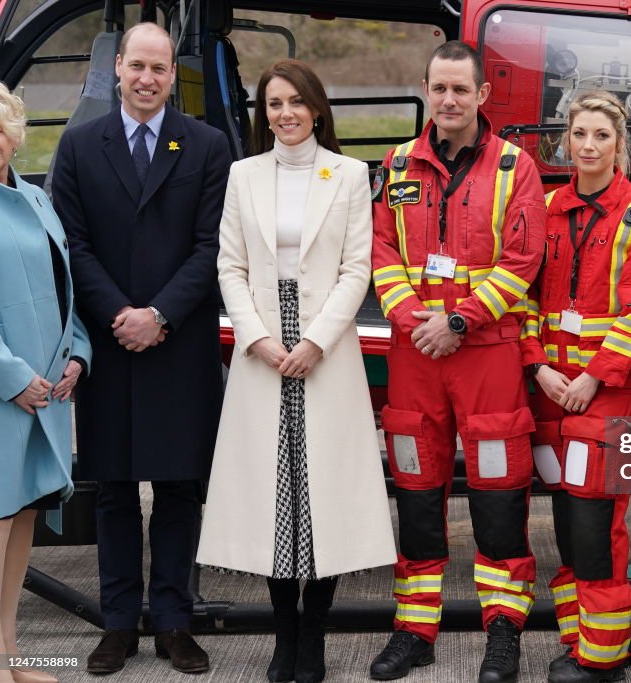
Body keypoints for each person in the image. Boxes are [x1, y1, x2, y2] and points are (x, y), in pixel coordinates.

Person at [196, 58, 397, 683]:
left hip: (324, 351)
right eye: (274, 103)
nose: (286, 113)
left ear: (317, 109)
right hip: (262, 350)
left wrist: (314, 341)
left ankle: (314, 636)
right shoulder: (244, 175)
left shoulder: (349, 174)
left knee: (323, 499)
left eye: (296, 102)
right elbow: (229, 265)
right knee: (273, 499)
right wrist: (256, 338)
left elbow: (357, 270)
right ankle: (285, 638)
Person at [51, 22, 231, 675]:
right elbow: (72, 244)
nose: (148, 79)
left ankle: (175, 623)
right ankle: (119, 624)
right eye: (137, 67)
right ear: (118, 68)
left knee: (180, 487)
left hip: (178, 342)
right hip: (111, 343)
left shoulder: (206, 145)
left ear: (171, 74)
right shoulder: (79, 146)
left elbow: (212, 247)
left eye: (159, 68)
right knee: (115, 490)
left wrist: (159, 314)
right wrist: (120, 315)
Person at [369, 40, 547, 683]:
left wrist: (459, 321)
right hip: (416, 351)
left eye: (460, 89)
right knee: (417, 491)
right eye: (439, 88)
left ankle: (503, 631)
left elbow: (523, 260)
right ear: (426, 89)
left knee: (499, 492)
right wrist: (416, 323)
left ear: (481, 95)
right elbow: (381, 251)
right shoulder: (396, 164)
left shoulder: (515, 167)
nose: (448, 100)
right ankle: (415, 630)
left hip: (485, 352)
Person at [522, 90, 631, 683]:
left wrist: (591, 377)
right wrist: (538, 366)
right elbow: (526, 296)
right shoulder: (547, 207)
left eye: (601, 136)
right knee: (563, 516)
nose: (588, 145)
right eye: (579, 134)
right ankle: (576, 640)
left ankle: (603, 659)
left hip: (605, 392)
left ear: (619, 144)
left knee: (596, 523)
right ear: (566, 140)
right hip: (550, 389)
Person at [0, 79, 90, 683]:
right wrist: (11, 377)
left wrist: (79, 354)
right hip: (3, 396)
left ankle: (6, 656)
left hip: (47, 393)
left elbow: (63, 285)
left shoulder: (34, 198)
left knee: (23, 516)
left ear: (13, 134)